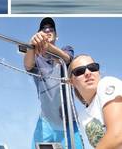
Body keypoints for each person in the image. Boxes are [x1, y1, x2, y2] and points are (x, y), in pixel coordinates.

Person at [24, 17, 83, 149]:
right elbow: (28, 65)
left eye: (51, 29)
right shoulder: (35, 59)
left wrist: (47, 47)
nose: (48, 30)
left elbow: (67, 58)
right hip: (46, 122)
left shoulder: (66, 49)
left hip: (69, 122)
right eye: (44, 29)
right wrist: (32, 45)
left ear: (56, 36)